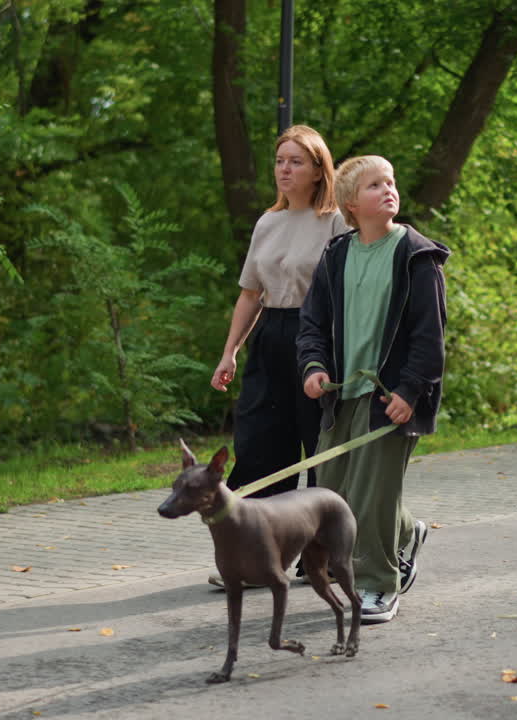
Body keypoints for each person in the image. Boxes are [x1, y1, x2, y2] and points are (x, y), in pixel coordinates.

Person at [297, 155, 450, 624]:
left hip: (390, 398)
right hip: (338, 397)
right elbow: (312, 324)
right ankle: (405, 531)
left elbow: (430, 335)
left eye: (390, 182)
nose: (388, 190)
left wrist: (410, 390)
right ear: (349, 203)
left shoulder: (416, 257)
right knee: (332, 494)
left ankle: (378, 585)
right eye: (373, 186)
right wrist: (313, 367)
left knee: (370, 495)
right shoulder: (336, 255)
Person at [208, 125, 350, 587]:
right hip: (271, 338)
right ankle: (259, 558)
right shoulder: (267, 223)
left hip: (318, 339)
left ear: (317, 171)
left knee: (320, 445)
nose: (284, 170)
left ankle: (325, 557)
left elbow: (349, 290)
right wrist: (230, 351)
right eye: (280, 161)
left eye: (296, 162)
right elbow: (252, 294)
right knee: (259, 444)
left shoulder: (334, 221)